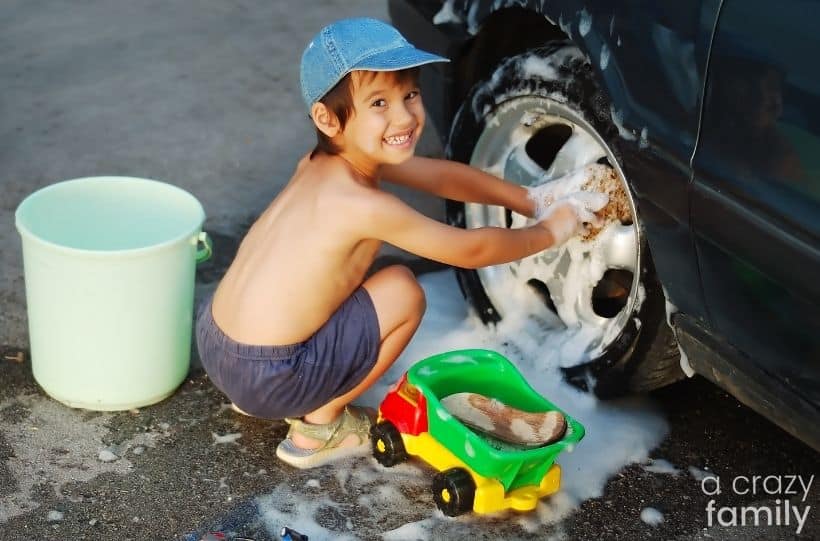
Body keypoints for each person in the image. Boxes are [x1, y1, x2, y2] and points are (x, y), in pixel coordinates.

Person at [195, 17, 607, 469]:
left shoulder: (322, 162)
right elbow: (470, 250)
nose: (405, 116)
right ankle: (319, 429)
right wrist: (551, 231)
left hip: (217, 341)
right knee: (401, 289)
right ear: (326, 117)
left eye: (409, 94)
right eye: (379, 102)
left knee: (346, 269)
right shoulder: (364, 205)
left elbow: (441, 176)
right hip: (268, 374)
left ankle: (259, 395)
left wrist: (532, 200)